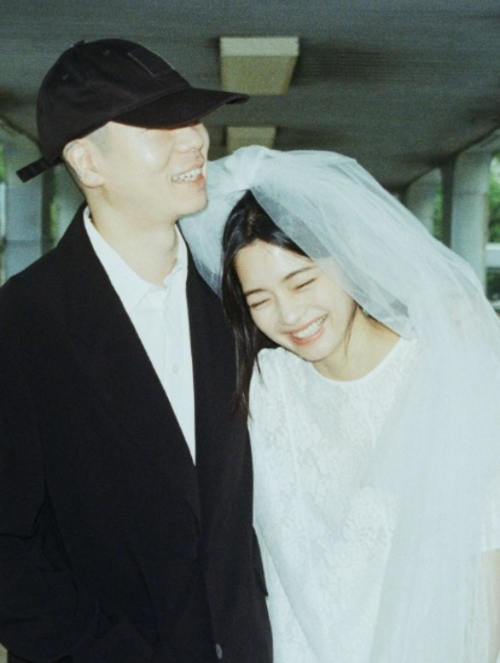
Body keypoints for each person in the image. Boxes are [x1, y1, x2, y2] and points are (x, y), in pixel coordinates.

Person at [0, 41, 272, 663]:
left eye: (193, 120)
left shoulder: (237, 294)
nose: (196, 140)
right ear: (87, 162)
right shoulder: (24, 323)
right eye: (160, 126)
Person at [180, 145, 500, 663]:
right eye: (259, 300)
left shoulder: (441, 375)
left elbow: (487, 565)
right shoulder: (259, 388)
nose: (289, 315)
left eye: (302, 282)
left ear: (349, 260)